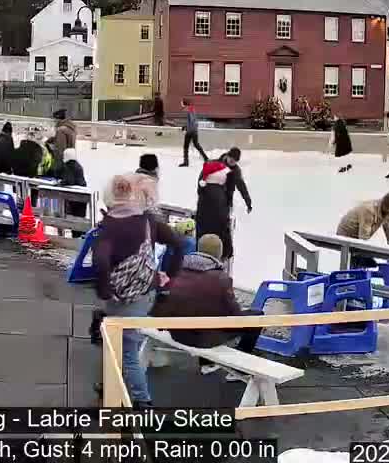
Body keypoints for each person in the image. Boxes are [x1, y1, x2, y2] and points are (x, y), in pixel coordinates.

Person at [91, 173, 185, 408]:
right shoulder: (148, 221)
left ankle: (142, 401)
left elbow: (101, 262)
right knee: (123, 344)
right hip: (146, 291)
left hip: (120, 295)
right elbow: (178, 243)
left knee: (123, 349)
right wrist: (170, 275)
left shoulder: (108, 227)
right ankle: (109, 387)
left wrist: (104, 291)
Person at [150, 233, 264, 373]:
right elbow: (235, 316)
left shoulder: (179, 270)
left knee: (202, 310)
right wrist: (243, 310)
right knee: (258, 316)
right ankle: (240, 368)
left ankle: (207, 364)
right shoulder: (221, 278)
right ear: (219, 253)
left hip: (178, 333)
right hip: (204, 339)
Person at [336, 192, 389, 267]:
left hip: (358, 236)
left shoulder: (387, 212)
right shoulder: (369, 210)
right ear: (385, 206)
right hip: (346, 234)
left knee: (366, 262)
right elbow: (363, 237)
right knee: (363, 262)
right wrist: (367, 255)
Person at [194, 161, 234, 272]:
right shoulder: (219, 196)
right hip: (216, 248)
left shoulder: (203, 192)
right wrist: (228, 249)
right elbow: (223, 223)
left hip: (201, 244)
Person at [58, 149, 88, 217]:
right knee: (80, 216)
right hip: (82, 195)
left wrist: (60, 183)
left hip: (76, 196)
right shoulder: (77, 165)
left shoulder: (70, 165)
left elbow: (69, 180)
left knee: (74, 215)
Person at [179, 99, 209, 167]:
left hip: (190, 131)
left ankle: (186, 162)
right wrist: (185, 126)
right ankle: (205, 158)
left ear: (184, 104)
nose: (181, 105)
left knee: (186, 146)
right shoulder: (191, 109)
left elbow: (192, 120)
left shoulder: (189, 110)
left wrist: (188, 128)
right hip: (194, 130)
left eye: (181, 104)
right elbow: (191, 121)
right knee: (196, 145)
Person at [52, 110, 78, 174]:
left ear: (58, 119)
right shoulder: (70, 128)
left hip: (62, 159)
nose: (54, 121)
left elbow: (60, 148)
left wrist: (57, 165)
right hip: (71, 156)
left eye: (54, 119)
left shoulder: (60, 130)